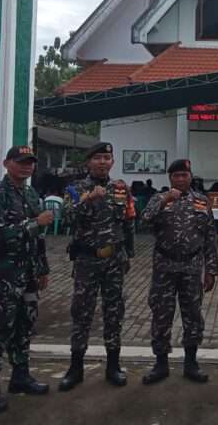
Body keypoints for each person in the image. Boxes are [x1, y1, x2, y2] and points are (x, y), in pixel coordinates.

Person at [0, 146, 53, 413]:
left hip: (29, 273)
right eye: (21, 162)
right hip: (5, 274)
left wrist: (42, 268)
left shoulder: (32, 194)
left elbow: (40, 237)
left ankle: (20, 376)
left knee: (24, 326)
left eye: (30, 162)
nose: (27, 166)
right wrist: (34, 224)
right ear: (6, 163)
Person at [59, 142, 135, 391]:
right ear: (89, 161)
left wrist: (128, 255)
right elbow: (67, 219)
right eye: (98, 157)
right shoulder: (75, 188)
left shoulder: (121, 188)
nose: (103, 162)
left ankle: (113, 365)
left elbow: (127, 223)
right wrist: (88, 200)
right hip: (87, 261)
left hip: (114, 260)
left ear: (112, 162)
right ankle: (75, 367)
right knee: (82, 312)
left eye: (107, 157)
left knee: (115, 311)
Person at [140, 159, 218, 384]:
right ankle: (161, 363)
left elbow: (209, 237)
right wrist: (163, 201)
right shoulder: (158, 199)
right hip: (165, 265)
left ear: (191, 177)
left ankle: (191, 363)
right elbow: (142, 223)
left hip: (192, 267)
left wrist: (211, 270)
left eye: (185, 175)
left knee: (193, 314)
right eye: (176, 175)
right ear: (170, 178)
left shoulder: (202, 202)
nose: (181, 179)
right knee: (161, 313)